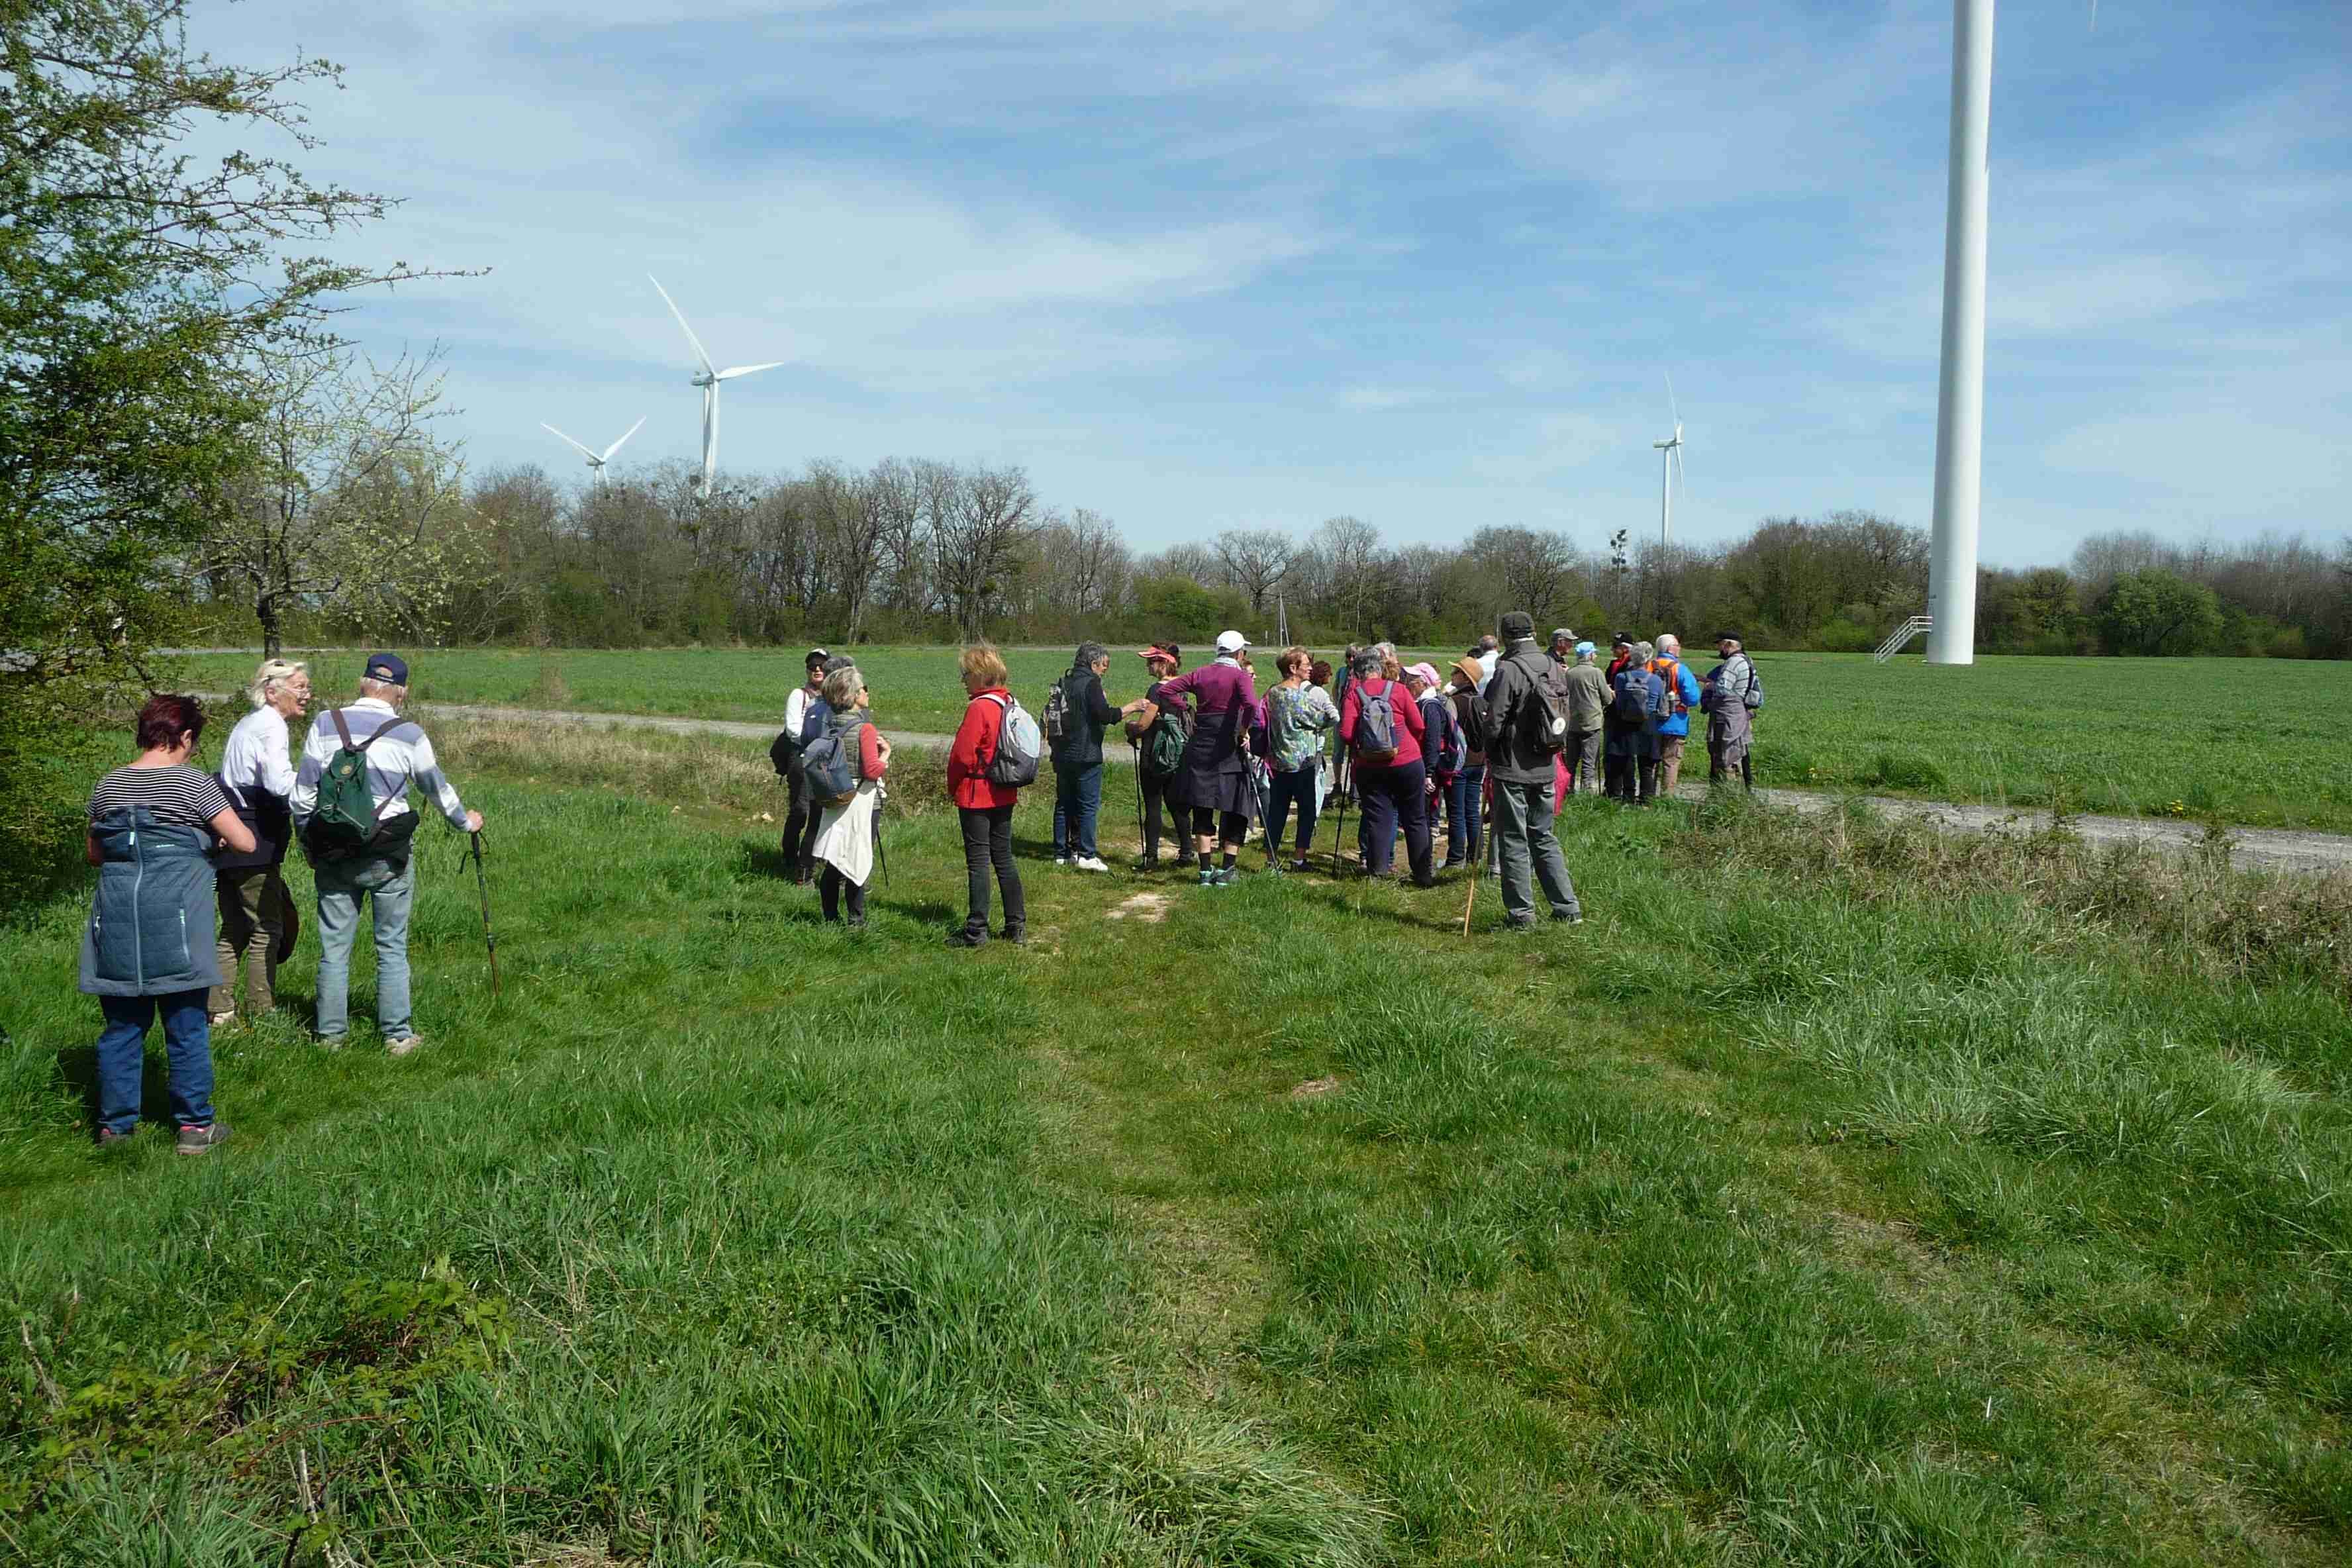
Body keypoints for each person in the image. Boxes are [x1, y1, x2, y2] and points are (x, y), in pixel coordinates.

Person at [81, 695, 257, 1151]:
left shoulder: (108, 786)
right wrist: (210, 841)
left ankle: (115, 1129)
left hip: (118, 920)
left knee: (122, 1028)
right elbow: (244, 842)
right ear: (184, 737)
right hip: (177, 919)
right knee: (185, 1025)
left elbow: (95, 855)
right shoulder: (192, 784)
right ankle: (195, 1128)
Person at [292, 653, 483, 1054]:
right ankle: (397, 1035)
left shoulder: (326, 724)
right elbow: (436, 788)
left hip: (333, 851)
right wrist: (466, 823)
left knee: (333, 947)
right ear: (401, 692)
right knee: (391, 945)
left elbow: (303, 794)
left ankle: (329, 1037)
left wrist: (307, 842)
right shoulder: (409, 733)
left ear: (363, 683)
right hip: (388, 855)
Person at [208, 658, 311, 1027]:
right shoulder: (272, 727)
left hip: (229, 836)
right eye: (299, 687)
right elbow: (280, 784)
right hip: (254, 840)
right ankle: (261, 1011)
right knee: (268, 926)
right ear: (273, 692)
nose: (307, 694)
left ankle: (220, 1011)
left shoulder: (247, 724)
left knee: (235, 926)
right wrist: (321, 786)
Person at [1478, 612, 1583, 931]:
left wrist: (1489, 753)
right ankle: (1567, 909)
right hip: (1547, 764)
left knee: (1513, 839)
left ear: (1506, 636)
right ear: (1534, 633)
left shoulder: (1509, 669)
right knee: (1544, 836)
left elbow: (1494, 722)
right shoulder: (1553, 665)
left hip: (1513, 767)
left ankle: (1521, 916)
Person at [1157, 630, 1260, 887]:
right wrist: (1244, 730)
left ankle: (1205, 871)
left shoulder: (1200, 673)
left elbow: (1167, 691)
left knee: (1202, 806)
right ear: (1239, 653)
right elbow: (1251, 705)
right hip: (1228, 747)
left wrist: (1187, 709)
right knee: (1236, 806)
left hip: (1201, 746)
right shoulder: (1240, 675)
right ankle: (1227, 870)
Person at [946, 646, 1027, 946]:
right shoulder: (1009, 702)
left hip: (977, 794)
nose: (963, 681)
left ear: (980, 676)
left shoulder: (979, 708)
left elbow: (962, 757)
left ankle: (976, 930)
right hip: (1005, 791)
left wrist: (952, 786)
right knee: (1004, 858)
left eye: (965, 674)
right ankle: (1016, 926)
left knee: (978, 862)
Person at [1050, 641, 1148, 871]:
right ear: (1093, 663)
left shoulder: (1065, 682)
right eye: (1104, 665)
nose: (1105, 670)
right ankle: (1087, 854)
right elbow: (1106, 715)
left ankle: (1062, 853)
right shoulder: (1091, 683)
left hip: (1062, 753)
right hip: (1086, 754)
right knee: (1087, 805)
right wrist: (1133, 706)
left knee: (1064, 804)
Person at [807, 663, 891, 929]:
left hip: (835, 797)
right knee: (858, 858)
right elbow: (872, 769)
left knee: (834, 858)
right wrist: (886, 754)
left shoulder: (830, 723)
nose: (867, 692)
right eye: (863, 688)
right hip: (862, 800)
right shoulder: (865, 729)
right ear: (854, 696)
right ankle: (856, 921)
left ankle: (830, 917)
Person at [1339, 648, 1433, 886]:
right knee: (1415, 819)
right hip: (1407, 761)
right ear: (1379, 670)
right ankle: (1422, 874)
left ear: (1358, 673)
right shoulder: (1399, 690)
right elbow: (1419, 726)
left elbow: (1346, 734)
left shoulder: (1354, 695)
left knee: (1378, 818)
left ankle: (1378, 872)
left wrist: (1362, 745)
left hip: (1369, 765)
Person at [1265, 646, 1338, 873]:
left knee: (1277, 812)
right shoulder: (1299, 698)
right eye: (1306, 664)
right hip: (1302, 763)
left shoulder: (1272, 693)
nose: (1310, 667)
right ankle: (1298, 859)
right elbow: (1326, 719)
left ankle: (1270, 858)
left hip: (1278, 762)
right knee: (1306, 812)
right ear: (1293, 668)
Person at [1132, 646, 1193, 869]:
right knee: (1178, 805)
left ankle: (1151, 858)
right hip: (1178, 754)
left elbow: (1144, 724)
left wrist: (1132, 729)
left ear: (1164, 663)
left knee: (1154, 806)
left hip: (1155, 754)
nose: (1148, 665)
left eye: (1151, 661)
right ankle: (1187, 852)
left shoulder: (1156, 690)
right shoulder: (1183, 687)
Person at [778, 649, 828, 883]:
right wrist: (816, 742)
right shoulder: (799, 696)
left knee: (822, 812)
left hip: (825, 760)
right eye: (812, 665)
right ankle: (789, 856)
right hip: (801, 757)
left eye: (822, 665)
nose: (817, 669)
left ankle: (811, 860)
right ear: (807, 669)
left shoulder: (833, 696)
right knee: (801, 810)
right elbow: (792, 730)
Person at [1406, 662, 1459, 861]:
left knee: (1425, 815)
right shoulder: (1422, 703)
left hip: (1430, 768)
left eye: (1412, 680)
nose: (1408, 683)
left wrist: (1428, 773)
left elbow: (1433, 741)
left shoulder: (1431, 707)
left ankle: (1425, 863)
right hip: (1424, 765)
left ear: (1423, 683)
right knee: (1422, 815)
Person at [1607, 640, 1666, 807]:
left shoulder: (1621, 677)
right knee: (1646, 764)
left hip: (1624, 722)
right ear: (1648, 659)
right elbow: (1661, 704)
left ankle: (1627, 797)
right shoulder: (1655, 680)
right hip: (1648, 723)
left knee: (1626, 760)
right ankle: (1646, 800)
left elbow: (1618, 702)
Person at [1442, 658, 1487, 871]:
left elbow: (1449, 731)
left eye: (1456, 672)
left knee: (1457, 811)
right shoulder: (1482, 701)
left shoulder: (1455, 701)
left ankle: (1456, 858)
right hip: (1479, 761)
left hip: (1460, 762)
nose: (1452, 675)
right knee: (1473, 809)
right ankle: (1475, 854)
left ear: (1464, 678)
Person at [1649, 633, 1704, 799]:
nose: (1680, 648)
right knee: (1671, 762)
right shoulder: (1680, 668)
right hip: (1676, 721)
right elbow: (1693, 699)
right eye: (1678, 645)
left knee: (1651, 761)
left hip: (1651, 722)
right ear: (1670, 648)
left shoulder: (1648, 667)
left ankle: (1648, 795)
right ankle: (1667, 798)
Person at [1703, 632, 1758, 791]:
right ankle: (1743, 790)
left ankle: (1724, 793)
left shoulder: (1733, 662)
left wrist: (1709, 685)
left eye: (1720, 645)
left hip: (1728, 715)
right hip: (1740, 712)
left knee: (1726, 753)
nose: (1719, 649)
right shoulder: (1747, 660)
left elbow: (1723, 689)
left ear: (1729, 645)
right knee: (1739, 751)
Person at [1563, 642, 1608, 796]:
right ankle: (1586, 793)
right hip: (1591, 723)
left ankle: (1568, 790)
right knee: (1589, 762)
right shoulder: (1596, 673)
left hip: (1573, 722)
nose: (1595, 655)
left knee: (1571, 761)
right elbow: (1607, 698)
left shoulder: (1570, 673)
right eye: (1594, 653)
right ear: (1589, 655)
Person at [1600, 632, 1637, 799]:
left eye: (1615, 647)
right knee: (1610, 753)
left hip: (1626, 715)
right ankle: (1611, 789)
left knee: (1627, 754)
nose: (1611, 649)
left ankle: (1627, 792)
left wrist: (1614, 693)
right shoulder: (1614, 664)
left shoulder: (1633, 666)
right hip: (1612, 713)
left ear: (1624, 648)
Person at [1473, 633, 1502, 697]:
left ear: (1481, 648)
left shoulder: (1475, 664)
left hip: (1480, 701)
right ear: (1497, 647)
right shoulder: (1505, 662)